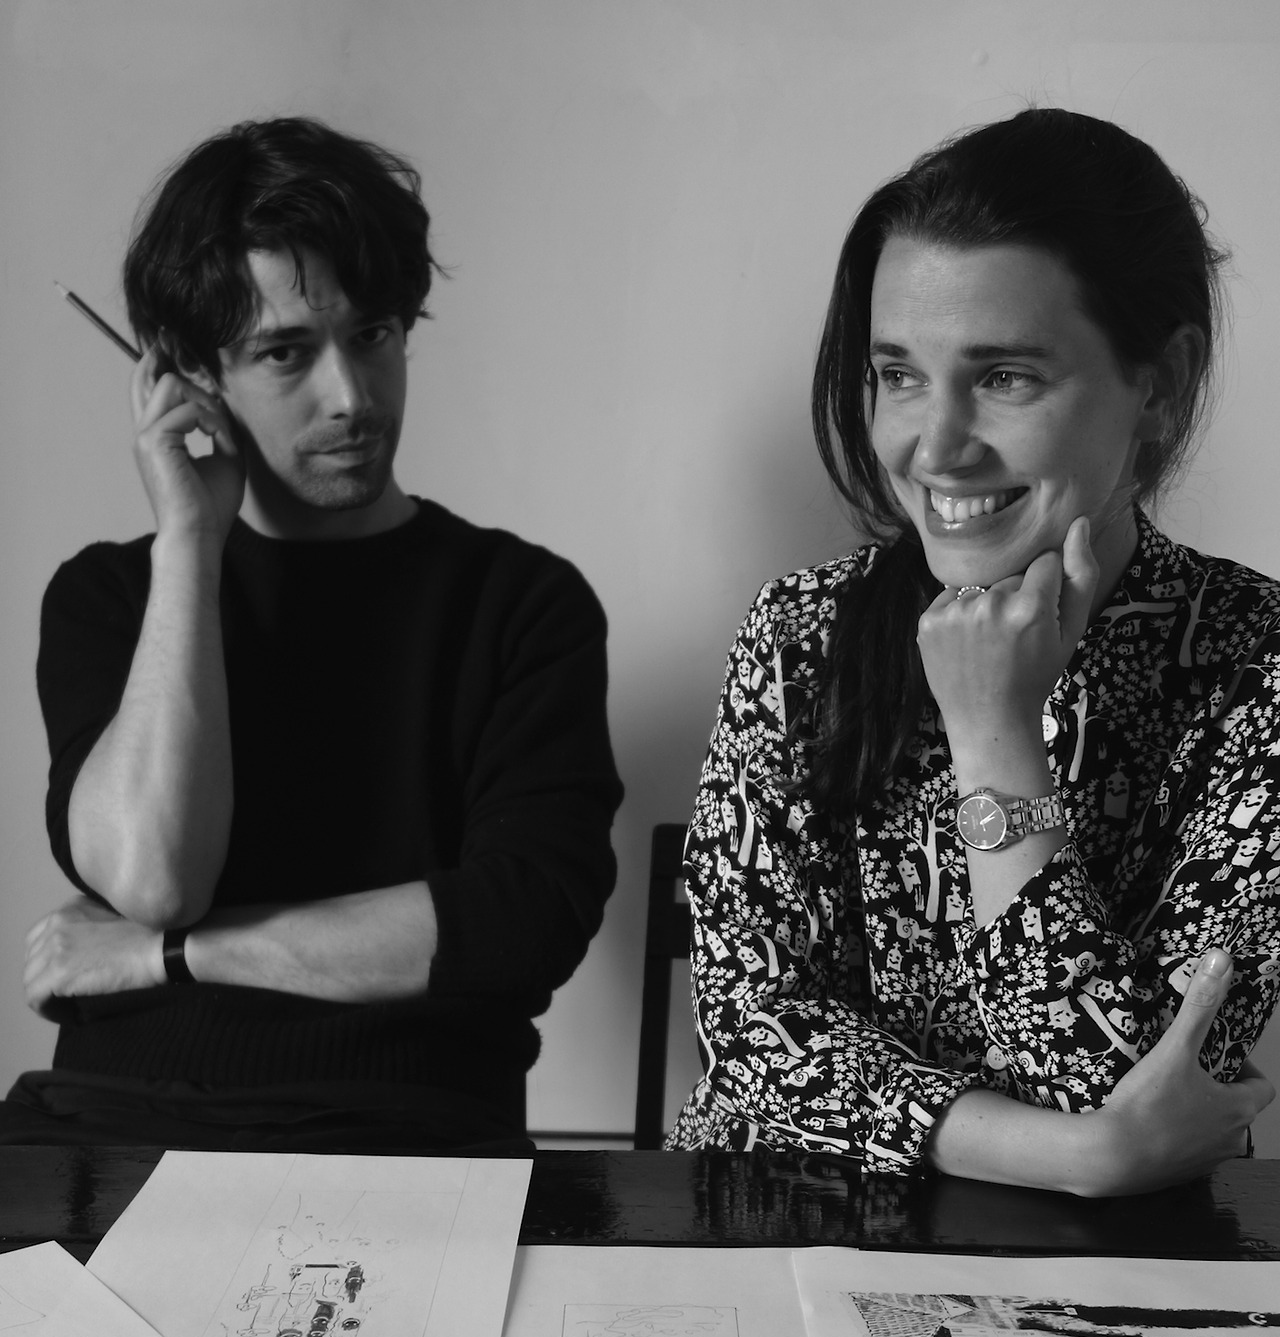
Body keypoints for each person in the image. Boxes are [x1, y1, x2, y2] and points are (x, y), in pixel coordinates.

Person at [667, 107, 1280, 1195]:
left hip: (1115, 1268)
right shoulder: (801, 633)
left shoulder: (1256, 665)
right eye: (899, 373)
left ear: (1160, 382)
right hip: (778, 1227)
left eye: (1003, 376)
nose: (934, 446)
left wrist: (993, 736)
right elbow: (754, 1030)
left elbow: (1134, 1082)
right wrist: (1078, 1156)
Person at [7, 117, 623, 1154]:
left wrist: (166, 956)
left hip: (411, 1133)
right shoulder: (110, 597)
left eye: (373, 334)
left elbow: (518, 927)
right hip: (117, 1125)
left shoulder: (521, 602)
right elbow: (157, 879)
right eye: (286, 352)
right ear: (188, 374)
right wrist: (190, 542)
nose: (350, 397)